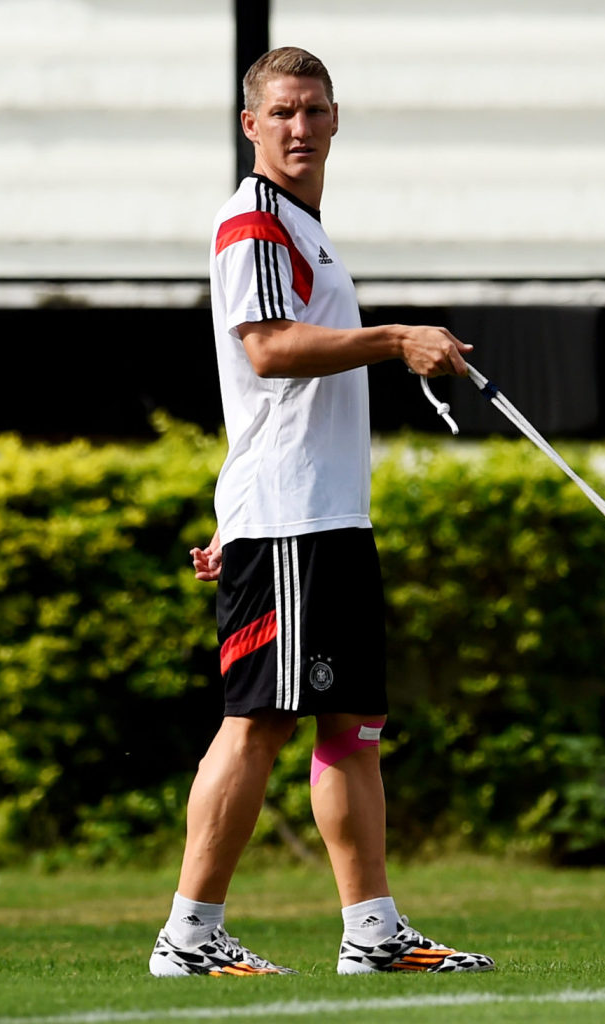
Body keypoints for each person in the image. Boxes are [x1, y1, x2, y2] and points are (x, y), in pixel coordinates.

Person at [148, 46, 494, 978]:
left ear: (337, 120)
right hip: (294, 519)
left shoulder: (304, 227)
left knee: (352, 730)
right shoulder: (254, 222)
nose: (300, 128)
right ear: (251, 125)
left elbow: (261, 399)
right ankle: (187, 938)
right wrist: (397, 337)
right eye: (283, 113)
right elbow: (265, 352)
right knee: (258, 720)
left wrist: (232, 515)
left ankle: (373, 934)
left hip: (322, 517)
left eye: (314, 111)